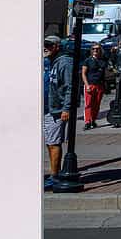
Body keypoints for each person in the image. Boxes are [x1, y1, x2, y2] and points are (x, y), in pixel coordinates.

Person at [43, 36, 74, 191]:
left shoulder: (65, 62)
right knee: (50, 142)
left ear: (57, 46)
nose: (45, 47)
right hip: (49, 107)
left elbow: (70, 87)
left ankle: (54, 176)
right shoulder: (52, 62)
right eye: (44, 44)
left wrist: (66, 108)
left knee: (54, 142)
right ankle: (54, 173)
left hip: (58, 109)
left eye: (48, 45)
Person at [80, 44, 108, 130]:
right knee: (88, 104)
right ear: (91, 50)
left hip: (100, 85)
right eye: (94, 49)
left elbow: (105, 73)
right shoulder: (87, 60)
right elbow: (83, 73)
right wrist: (87, 85)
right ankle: (87, 122)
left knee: (97, 104)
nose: (95, 50)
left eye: (97, 49)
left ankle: (93, 120)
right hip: (90, 84)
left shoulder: (103, 60)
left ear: (100, 50)